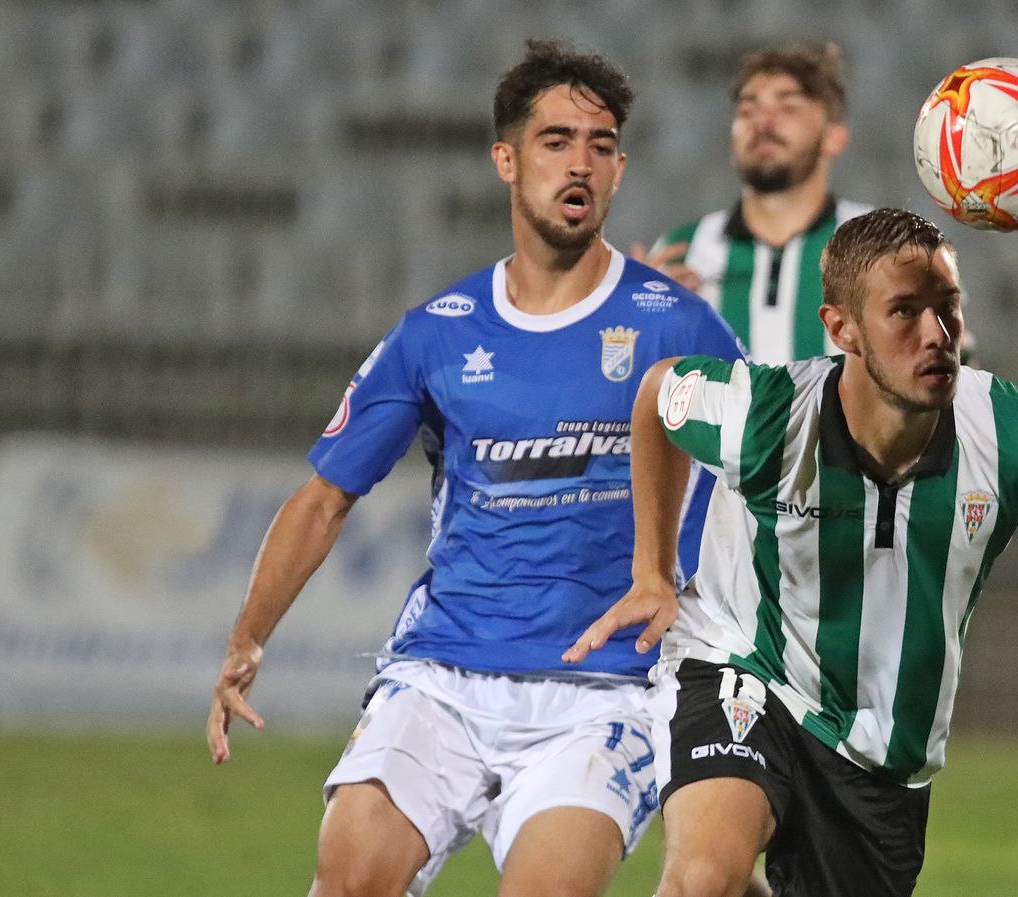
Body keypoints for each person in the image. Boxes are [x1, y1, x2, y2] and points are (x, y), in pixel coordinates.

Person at [205, 40, 744, 897]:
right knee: (346, 877)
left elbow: (764, 481)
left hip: (606, 690)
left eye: (601, 146)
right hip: (444, 675)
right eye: (556, 140)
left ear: (621, 168)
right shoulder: (437, 333)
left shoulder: (678, 326)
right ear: (506, 159)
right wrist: (246, 639)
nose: (581, 164)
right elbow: (325, 497)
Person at [567, 208, 1018, 897]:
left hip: (883, 758)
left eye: (948, 308)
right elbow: (657, 395)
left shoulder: (1012, 432)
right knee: (700, 877)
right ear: (842, 328)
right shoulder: (769, 416)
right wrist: (651, 571)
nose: (936, 335)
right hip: (745, 668)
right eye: (905, 311)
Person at [635, 42, 870, 364]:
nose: (762, 122)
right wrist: (639, 323)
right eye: (748, 110)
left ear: (834, 136)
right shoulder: (680, 251)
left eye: (788, 108)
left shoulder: (878, 246)